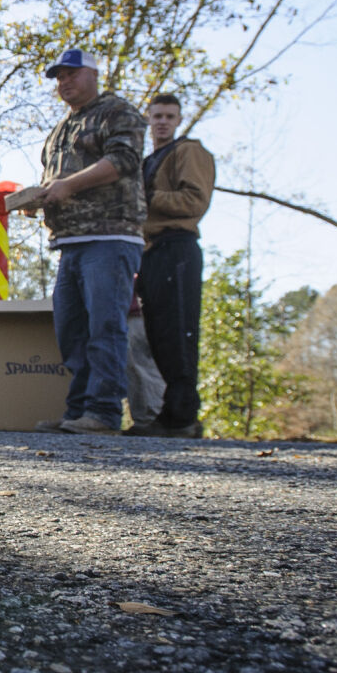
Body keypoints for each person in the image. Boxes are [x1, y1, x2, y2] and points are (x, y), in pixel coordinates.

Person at [14, 50, 146, 435]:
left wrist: (68, 185)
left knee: (105, 324)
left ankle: (104, 412)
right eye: (59, 77)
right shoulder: (59, 130)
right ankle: (78, 412)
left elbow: (124, 160)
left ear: (93, 73)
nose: (64, 82)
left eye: (72, 74)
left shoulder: (116, 111)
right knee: (71, 329)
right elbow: (53, 178)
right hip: (69, 241)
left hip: (110, 235)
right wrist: (37, 200)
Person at [126, 93, 215, 438]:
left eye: (169, 116)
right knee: (158, 336)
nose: (162, 121)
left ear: (178, 120)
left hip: (178, 247)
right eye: (157, 115)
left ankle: (182, 417)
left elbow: (195, 201)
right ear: (149, 119)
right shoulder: (151, 160)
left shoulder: (188, 152)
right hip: (151, 252)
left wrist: (146, 196)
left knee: (178, 334)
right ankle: (170, 413)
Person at [125, 289, 166, 431]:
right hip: (128, 310)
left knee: (140, 367)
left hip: (137, 310)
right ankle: (144, 421)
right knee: (134, 368)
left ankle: (153, 419)